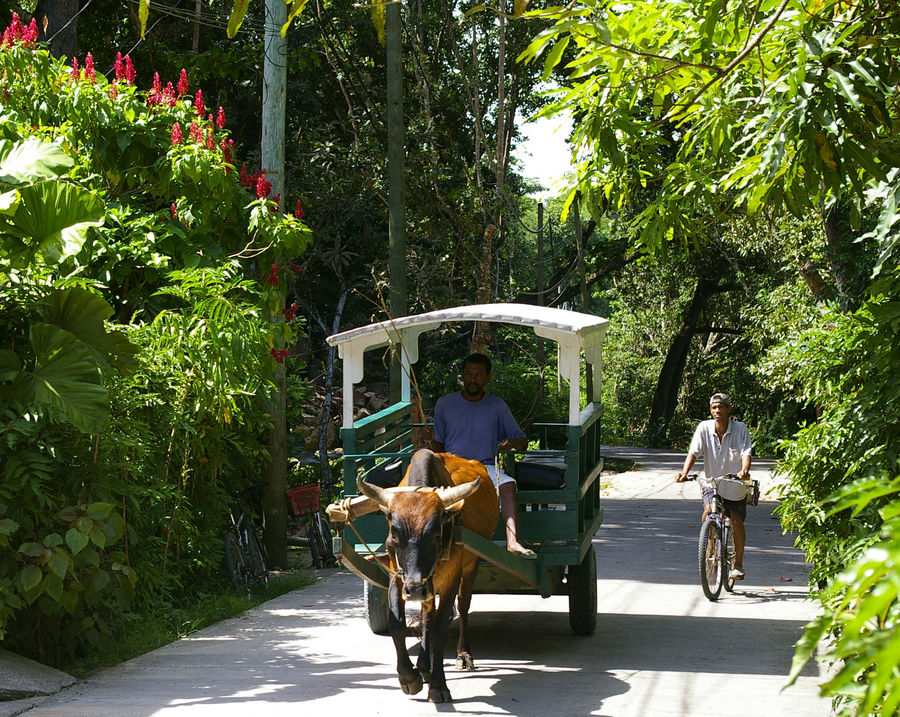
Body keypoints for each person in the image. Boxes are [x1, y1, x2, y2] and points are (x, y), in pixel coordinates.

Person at [430, 353, 534, 556]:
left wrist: (510, 442)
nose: (473, 379)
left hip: (484, 467)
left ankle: (512, 541)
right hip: (451, 467)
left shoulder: (497, 406)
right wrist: (426, 440)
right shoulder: (445, 404)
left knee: (507, 485)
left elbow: (522, 442)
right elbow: (438, 446)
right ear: (462, 376)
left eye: (478, 375)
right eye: (469, 374)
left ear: (488, 377)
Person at [675, 393, 752, 580]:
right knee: (709, 511)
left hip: (734, 483)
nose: (718, 411)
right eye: (714, 408)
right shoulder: (703, 428)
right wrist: (684, 473)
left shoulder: (740, 429)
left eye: (721, 407)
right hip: (711, 482)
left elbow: (746, 452)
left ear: (728, 409)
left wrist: (744, 471)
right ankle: (710, 542)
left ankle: (738, 564)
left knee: (736, 520)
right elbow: (693, 452)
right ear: (711, 410)